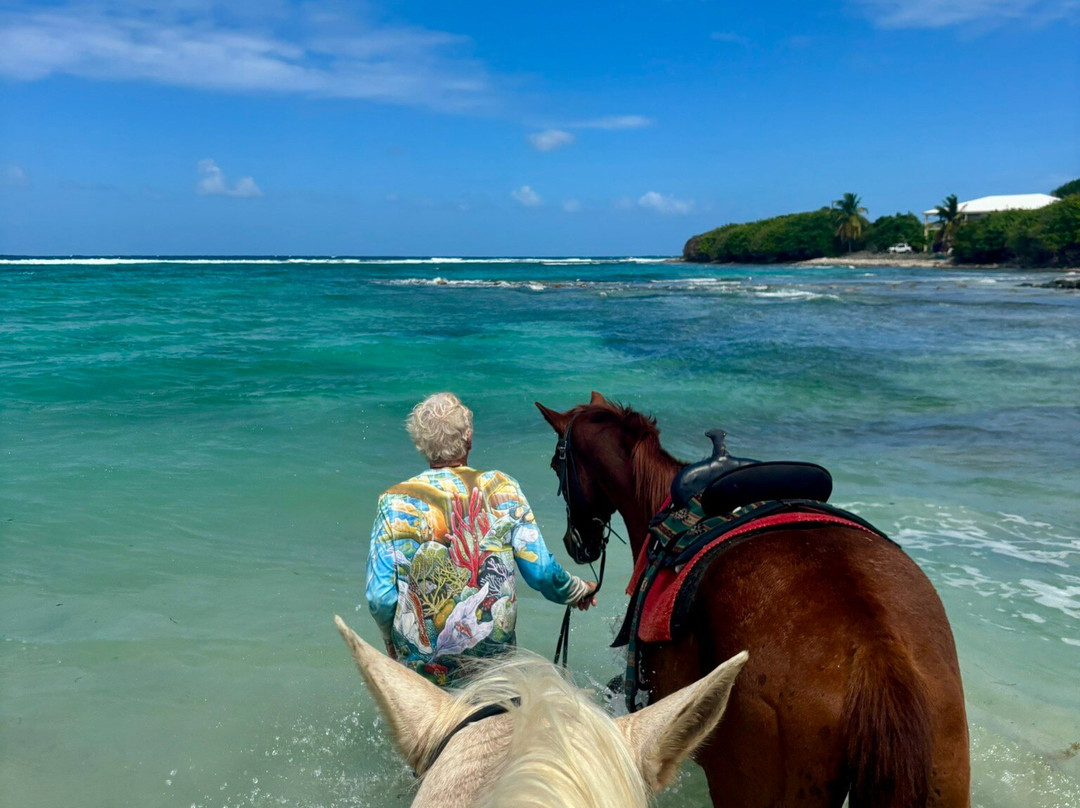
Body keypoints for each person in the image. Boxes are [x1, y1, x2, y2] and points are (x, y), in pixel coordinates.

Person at [365, 393, 597, 686]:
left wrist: (390, 640)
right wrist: (578, 590)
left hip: (423, 667)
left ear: (420, 444)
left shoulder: (393, 500)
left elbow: (379, 597)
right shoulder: (503, 487)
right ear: (469, 438)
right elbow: (541, 573)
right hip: (492, 664)